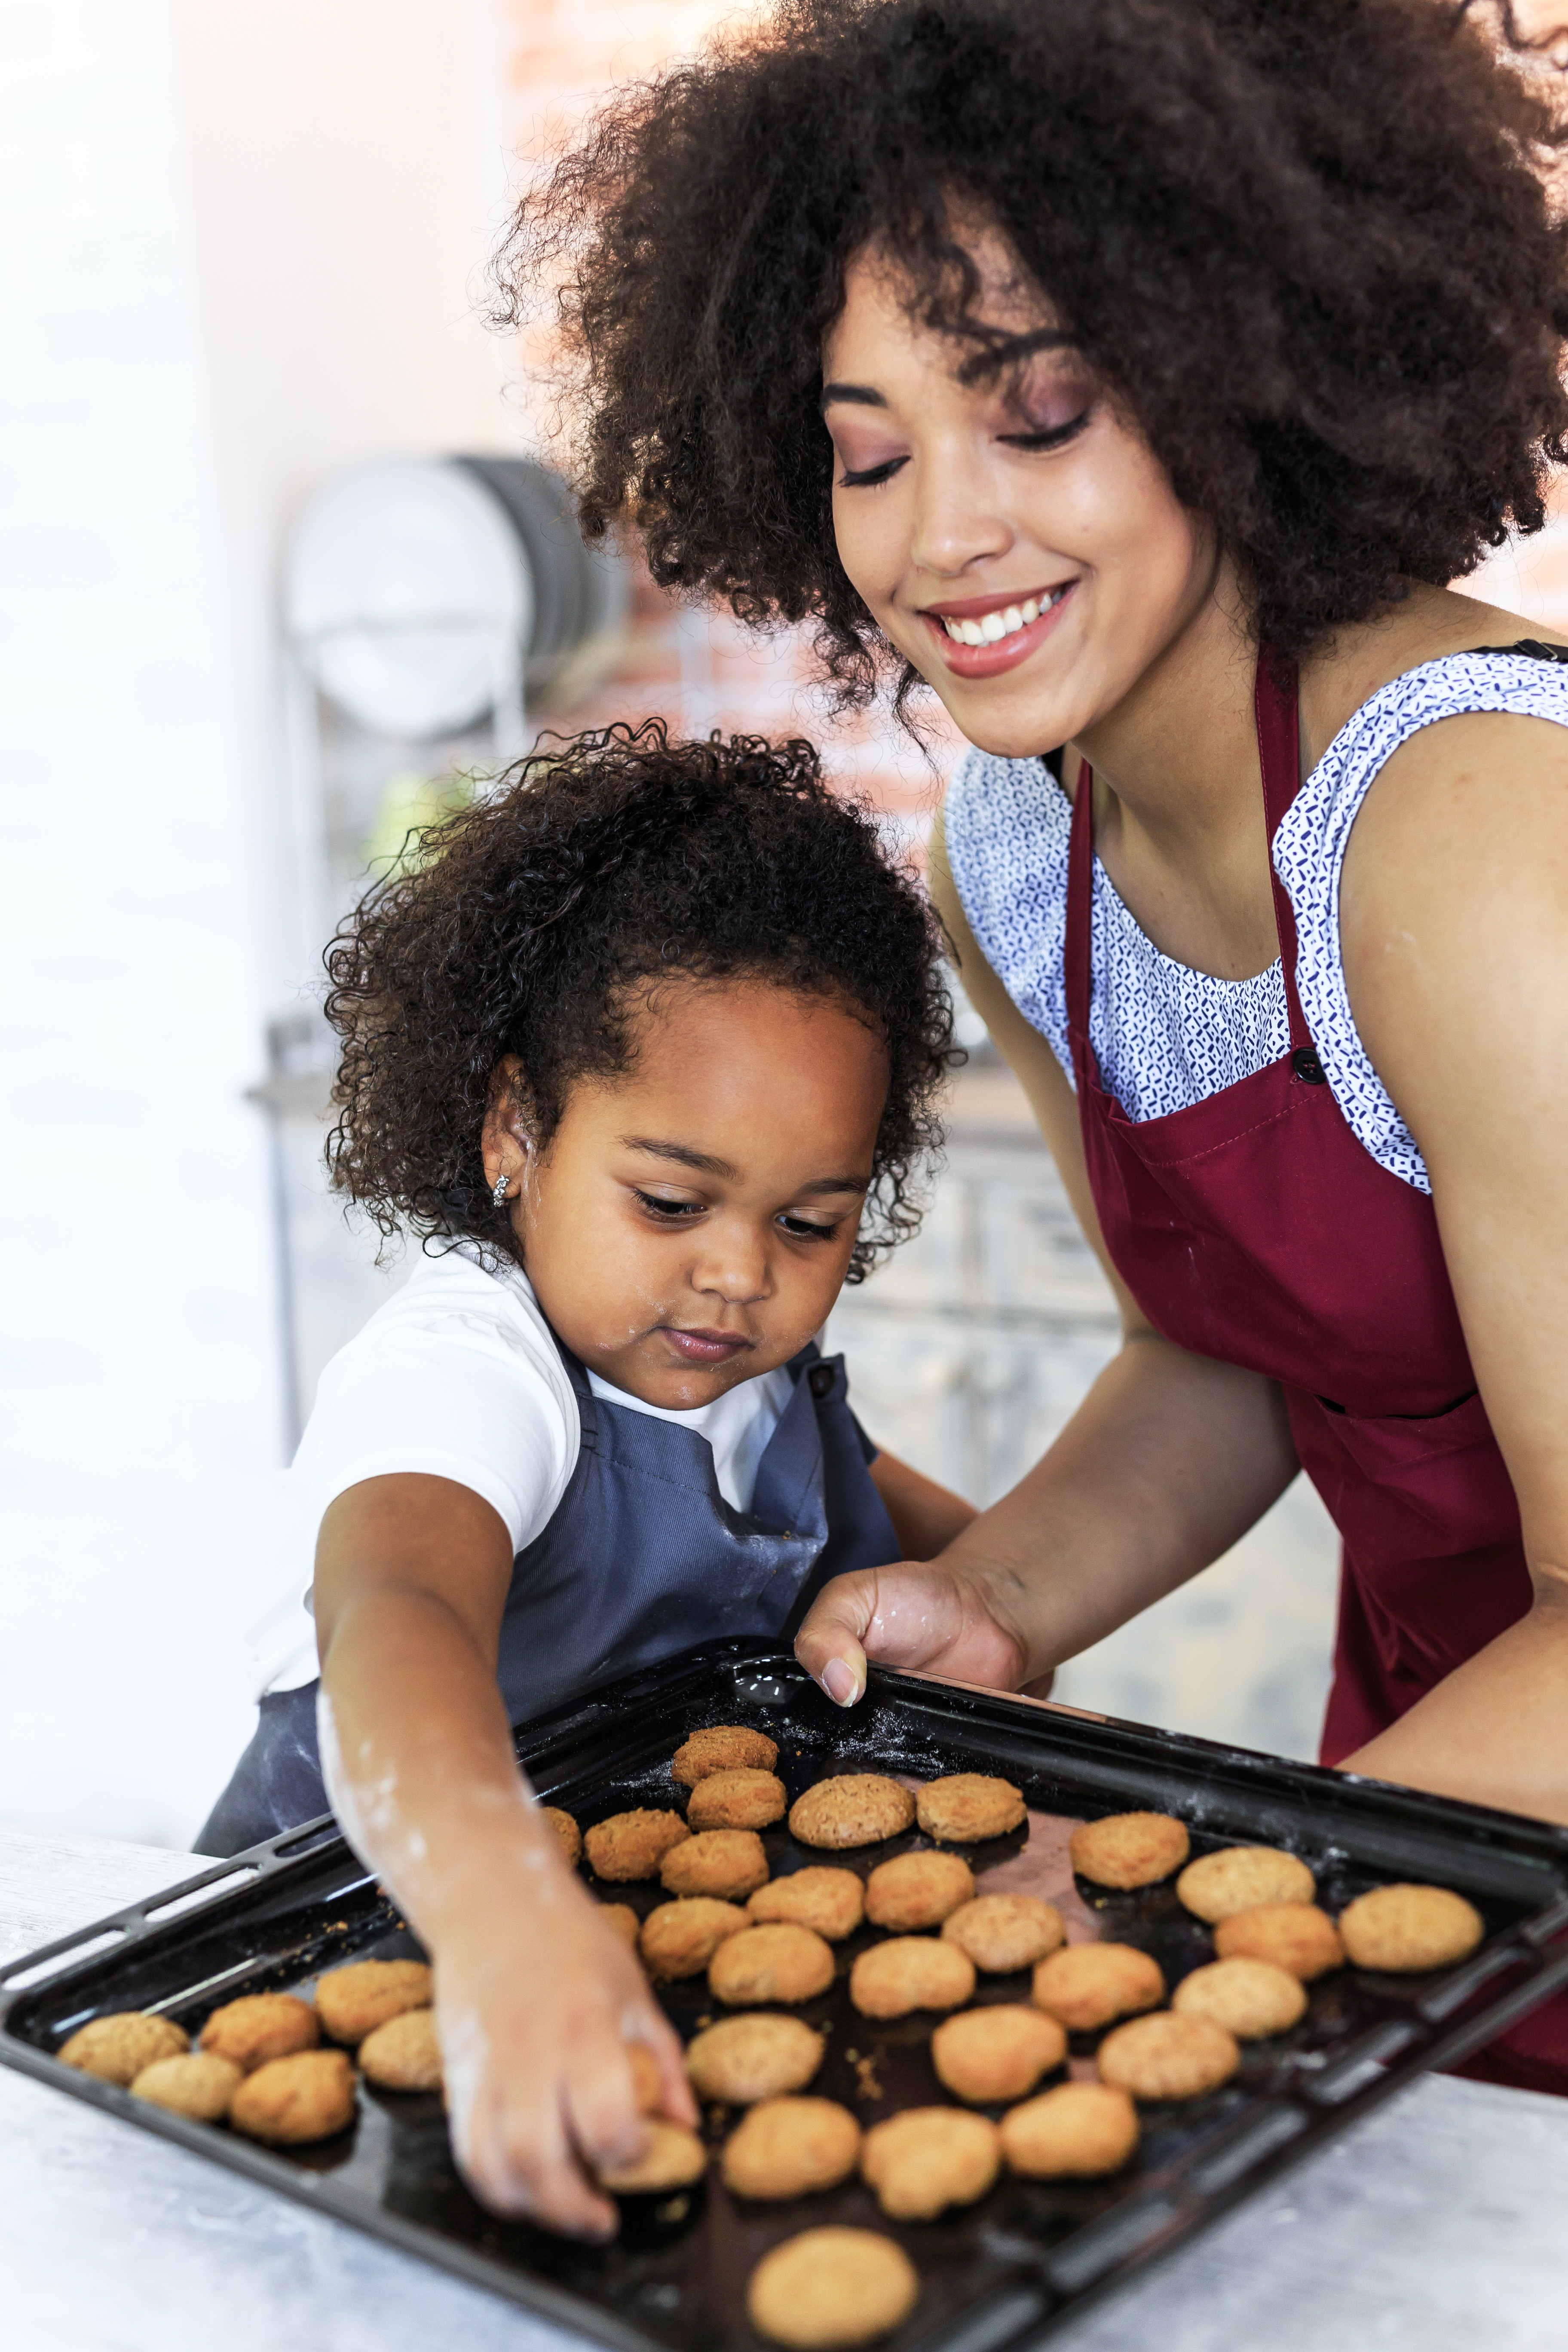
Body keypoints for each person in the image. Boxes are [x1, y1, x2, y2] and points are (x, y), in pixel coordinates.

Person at [501, 0, 1568, 2089]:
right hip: (1448, 1753)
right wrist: (996, 1599)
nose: (943, 539)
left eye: (1044, 412)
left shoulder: (1476, 842)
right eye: (873, 452)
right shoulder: (1020, 835)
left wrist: (1218, 1896)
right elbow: (1248, 1345)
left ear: (1242, 371)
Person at [201, 722, 971, 2230]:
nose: (740, 1275)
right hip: (353, 1953)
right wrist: (500, 1914)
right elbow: (400, 1610)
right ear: (514, 1128)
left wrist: (1006, 1590)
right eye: (672, 1199)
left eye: (811, 1225)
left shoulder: (753, 1384)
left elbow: (898, 1530)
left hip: (635, 1956)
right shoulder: (474, 1368)